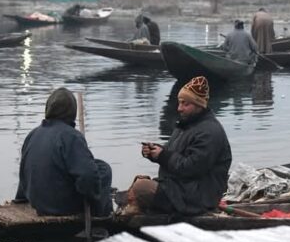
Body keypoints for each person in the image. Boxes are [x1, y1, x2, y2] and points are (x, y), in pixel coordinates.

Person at [127, 76, 232, 216]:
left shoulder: (209, 132)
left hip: (197, 198)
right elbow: (173, 154)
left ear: (199, 105)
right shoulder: (186, 125)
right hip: (181, 188)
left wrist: (162, 155)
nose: (179, 108)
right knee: (138, 181)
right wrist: (154, 152)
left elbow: (190, 168)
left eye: (185, 104)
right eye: (179, 103)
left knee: (141, 187)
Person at [14, 88, 113, 217]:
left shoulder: (33, 134)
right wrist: (93, 196)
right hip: (62, 207)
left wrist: (20, 197)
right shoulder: (71, 136)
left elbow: (25, 171)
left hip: (38, 203)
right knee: (104, 170)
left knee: (98, 165)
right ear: (72, 112)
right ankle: (99, 213)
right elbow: (87, 177)